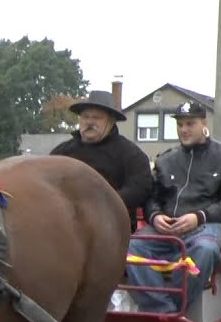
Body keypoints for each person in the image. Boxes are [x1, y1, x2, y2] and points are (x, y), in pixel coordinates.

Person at [126, 101, 221, 313]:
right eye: (180, 124)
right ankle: (163, 311)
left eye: (190, 123)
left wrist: (199, 216)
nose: (184, 129)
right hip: (165, 226)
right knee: (130, 248)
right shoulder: (166, 160)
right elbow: (152, 197)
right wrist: (154, 216)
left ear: (203, 123)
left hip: (205, 225)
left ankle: (174, 309)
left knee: (206, 250)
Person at [51, 89, 153, 231]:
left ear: (111, 121)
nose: (90, 122)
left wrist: (102, 202)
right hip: (65, 223)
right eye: (85, 117)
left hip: (112, 226)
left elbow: (140, 188)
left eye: (97, 117)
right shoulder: (62, 152)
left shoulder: (130, 154)